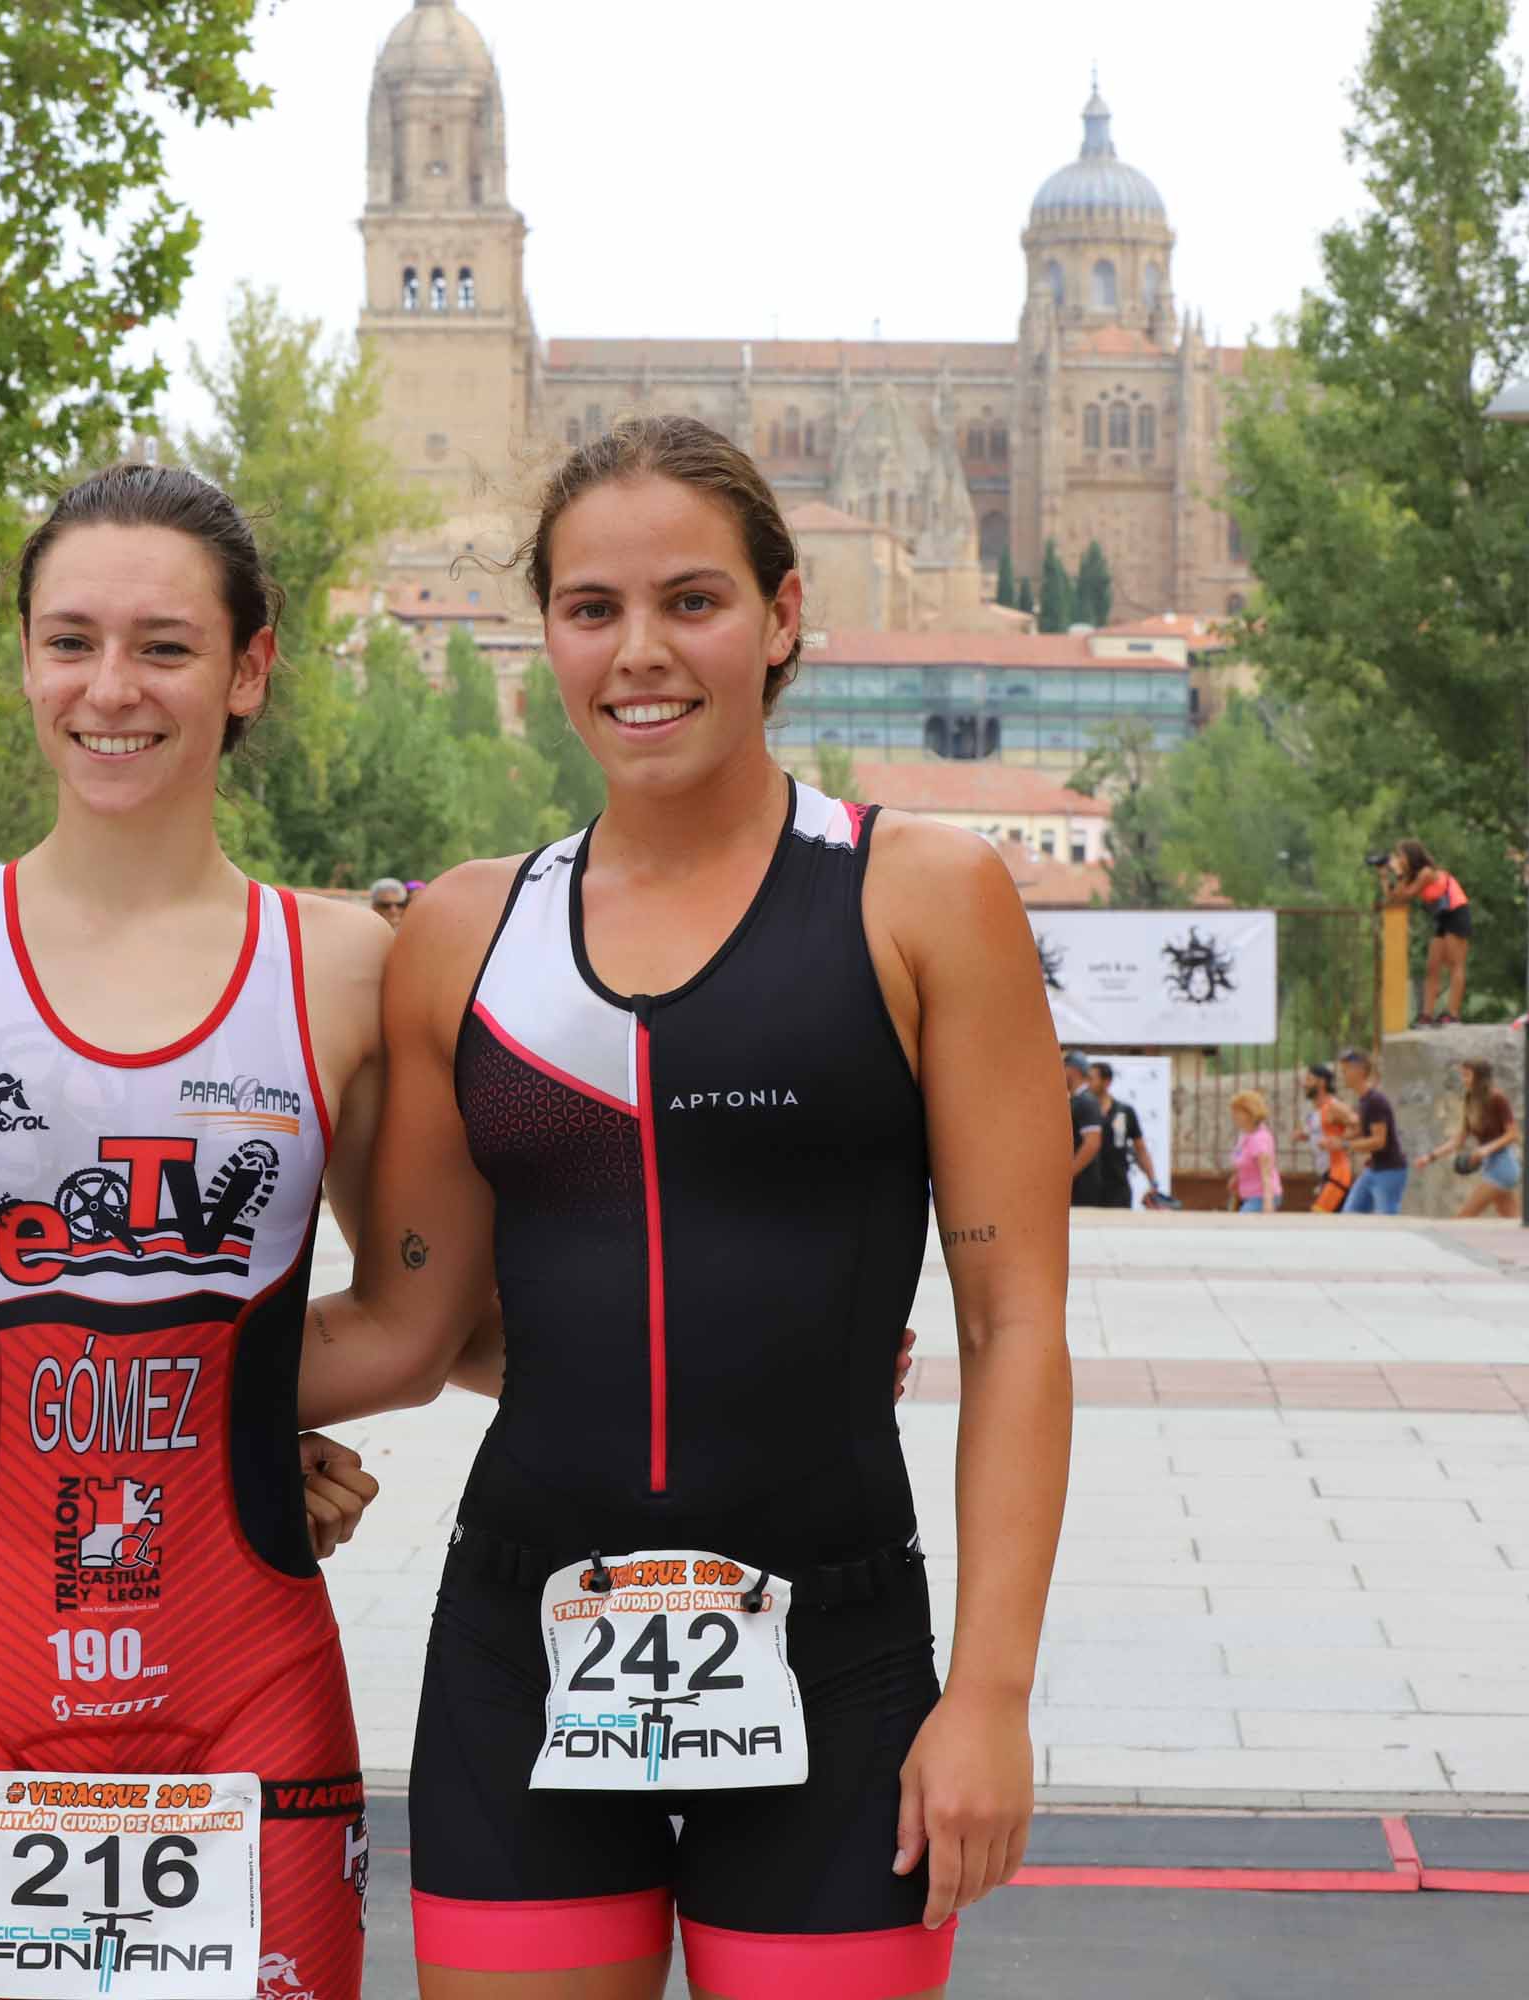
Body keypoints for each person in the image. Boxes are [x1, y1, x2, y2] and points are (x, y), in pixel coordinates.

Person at [289, 416, 1067, 1997]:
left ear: (784, 617)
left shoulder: (922, 895)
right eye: (593, 609)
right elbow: (415, 1322)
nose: (640, 653)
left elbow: (1015, 1323)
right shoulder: (463, 930)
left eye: (692, 602)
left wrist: (989, 1691)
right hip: (525, 1646)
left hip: (838, 1659)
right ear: (549, 634)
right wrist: (80, 1387)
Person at [0, 463, 397, 2000]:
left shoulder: (343, 962)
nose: (111, 687)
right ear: (23, 655)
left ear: (250, 668)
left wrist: (232, 1414)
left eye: (164, 644)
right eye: (70, 639)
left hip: (248, 1674)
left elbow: (424, 1323)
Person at [1418, 1057, 1520, 1220]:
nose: (1463, 1080)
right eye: (1462, 1075)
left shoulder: (1497, 1098)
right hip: (1490, 1165)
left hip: (1503, 1166)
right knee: (1512, 1220)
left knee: (1463, 1217)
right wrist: (1430, 1157)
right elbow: (1459, 1139)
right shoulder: (1470, 1099)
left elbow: (1513, 1134)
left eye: (1467, 1075)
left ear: (1479, 1077)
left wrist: (1486, 1149)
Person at [1386, 840, 1472, 1025]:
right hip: (1442, 917)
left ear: (1411, 856)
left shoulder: (1426, 873)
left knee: (1456, 964)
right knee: (1432, 967)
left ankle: (1453, 1013)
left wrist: (1400, 875)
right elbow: (1396, 900)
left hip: (1456, 911)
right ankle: (1426, 1014)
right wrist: (1384, 877)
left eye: (1401, 856)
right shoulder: (1412, 876)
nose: (1398, 860)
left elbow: (1408, 895)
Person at [1336, 1046, 1409, 1214]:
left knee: (1387, 1222)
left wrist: (1345, 1145)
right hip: (1374, 1169)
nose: (1343, 1075)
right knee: (1349, 1215)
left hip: (1389, 1171)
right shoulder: (1364, 1100)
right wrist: (1340, 1137)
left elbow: (1378, 1141)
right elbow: (1363, 1131)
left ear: (1360, 1071)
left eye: (1346, 1070)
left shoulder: (1375, 1101)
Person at [1088, 1061, 1162, 1210]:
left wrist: (1152, 1182)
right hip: (1088, 1188)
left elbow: (1140, 1149)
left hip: (1118, 1188)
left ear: (1106, 1082)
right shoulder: (1084, 1110)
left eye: (1092, 1079)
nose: (1087, 1083)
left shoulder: (1123, 1111)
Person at [1301, 1062, 1358, 1214]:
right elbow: (1321, 1133)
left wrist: (1340, 1141)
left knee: (1318, 1218)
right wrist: (1303, 1136)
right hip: (1326, 1173)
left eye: (1308, 1079)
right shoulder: (1315, 1111)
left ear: (1321, 1082)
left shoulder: (1334, 1106)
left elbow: (1359, 1125)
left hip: (1338, 1172)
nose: (1304, 1084)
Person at [1228, 1092, 1281, 1213]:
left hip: (1261, 1197)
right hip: (1249, 1195)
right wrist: (1236, 1177)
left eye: (1237, 1112)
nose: (1233, 1116)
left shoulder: (1259, 1139)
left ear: (1249, 1113)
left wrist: (1268, 1203)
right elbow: (1244, 1160)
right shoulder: (1246, 1135)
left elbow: (1266, 1173)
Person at [1063, 1050, 1104, 1208]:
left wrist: (1069, 1174)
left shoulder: (1086, 1101)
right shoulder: (1075, 1100)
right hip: (1077, 1185)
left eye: (1063, 1067)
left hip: (1084, 1187)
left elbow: (1092, 1143)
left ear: (1073, 1070)